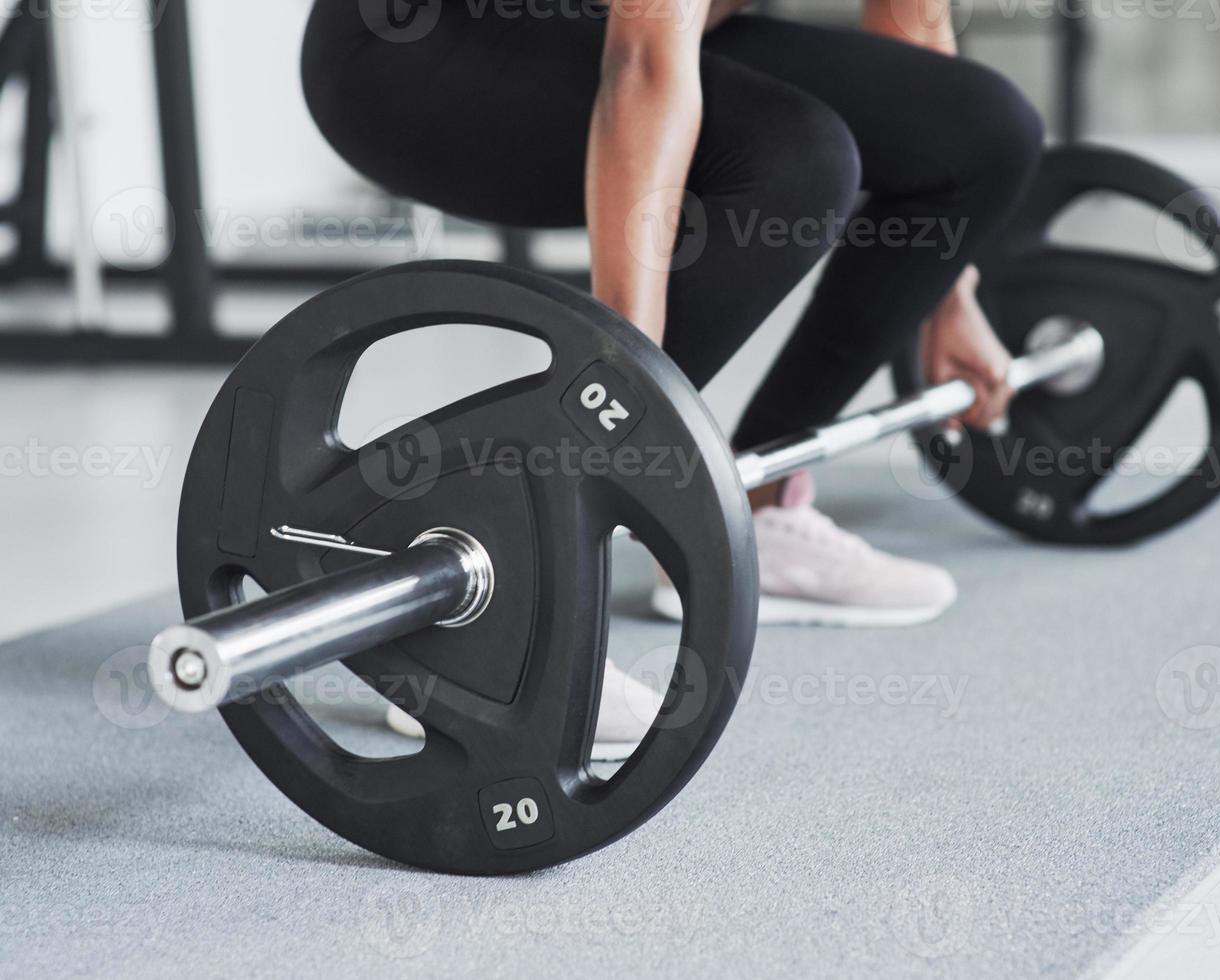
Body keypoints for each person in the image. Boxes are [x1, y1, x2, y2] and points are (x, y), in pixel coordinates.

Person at [302, 0, 1044, 746]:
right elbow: (645, 65)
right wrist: (619, 375)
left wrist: (950, 297)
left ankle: (762, 501)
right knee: (794, 157)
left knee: (982, 128)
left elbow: (913, 23)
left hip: (643, 35)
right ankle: (496, 607)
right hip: (409, 54)